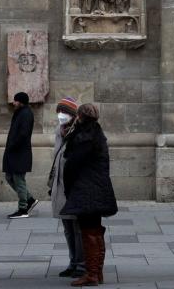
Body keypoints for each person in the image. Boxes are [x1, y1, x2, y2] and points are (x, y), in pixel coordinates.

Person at [60, 103, 118, 287]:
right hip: (96, 187)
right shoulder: (96, 133)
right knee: (95, 230)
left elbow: (72, 160)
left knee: (89, 230)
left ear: (80, 116)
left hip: (86, 189)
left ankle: (92, 274)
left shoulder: (84, 136)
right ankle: (96, 272)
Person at [49, 97, 85, 278]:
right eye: (59, 111)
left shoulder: (79, 132)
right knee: (67, 228)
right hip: (61, 185)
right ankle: (73, 261)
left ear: (73, 115)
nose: (60, 115)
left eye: (64, 112)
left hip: (75, 187)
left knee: (78, 227)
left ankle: (81, 263)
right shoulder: (60, 131)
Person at [4, 91, 37, 219]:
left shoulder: (26, 114)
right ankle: (29, 199)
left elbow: (23, 134)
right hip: (14, 153)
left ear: (21, 102)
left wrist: (13, 145)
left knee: (19, 180)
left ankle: (23, 208)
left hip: (19, 153)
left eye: (15, 100)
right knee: (9, 177)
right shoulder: (20, 113)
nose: (13, 103)